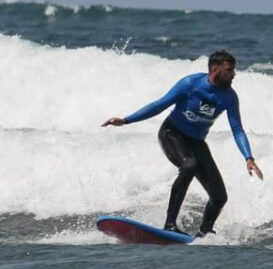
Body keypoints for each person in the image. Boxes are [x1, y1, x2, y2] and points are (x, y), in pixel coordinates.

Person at [102, 50, 263, 236]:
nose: (234, 74)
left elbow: (237, 129)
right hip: (172, 134)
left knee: (219, 197)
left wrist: (248, 158)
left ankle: (204, 233)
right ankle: (169, 224)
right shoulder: (191, 84)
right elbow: (159, 105)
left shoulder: (229, 97)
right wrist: (126, 120)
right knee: (189, 165)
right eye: (229, 70)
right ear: (214, 69)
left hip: (196, 142)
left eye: (233, 70)